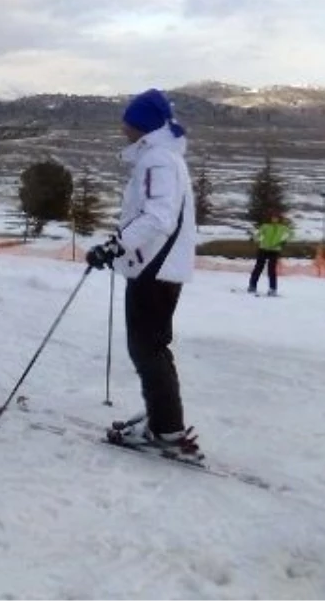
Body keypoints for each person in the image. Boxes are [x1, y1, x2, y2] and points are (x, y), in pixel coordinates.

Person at [85, 88, 201, 461]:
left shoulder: (158, 161)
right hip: (157, 265)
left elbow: (158, 218)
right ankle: (163, 420)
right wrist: (120, 243)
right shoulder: (160, 157)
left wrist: (117, 246)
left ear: (142, 124)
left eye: (127, 120)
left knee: (146, 348)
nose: (122, 126)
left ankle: (167, 430)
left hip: (154, 266)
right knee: (152, 347)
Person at [247, 214, 292, 296]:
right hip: (263, 249)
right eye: (273, 218)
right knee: (258, 268)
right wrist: (254, 238)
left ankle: (273, 289)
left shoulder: (283, 228)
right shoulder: (265, 226)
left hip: (274, 250)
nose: (274, 219)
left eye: (276, 218)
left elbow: (291, 234)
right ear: (270, 218)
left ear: (279, 219)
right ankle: (252, 286)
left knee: (272, 270)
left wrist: (284, 241)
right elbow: (258, 234)